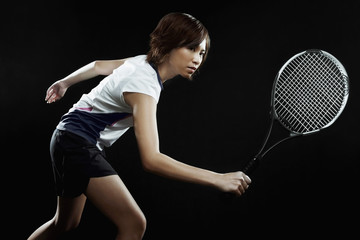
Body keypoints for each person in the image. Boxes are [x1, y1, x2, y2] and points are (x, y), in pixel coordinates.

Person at [28, 12, 251, 240]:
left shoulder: (141, 63)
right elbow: (151, 160)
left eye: (202, 52)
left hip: (66, 136)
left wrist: (65, 82)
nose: (197, 59)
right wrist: (218, 178)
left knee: (64, 224)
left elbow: (97, 66)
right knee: (133, 224)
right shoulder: (144, 85)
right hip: (76, 142)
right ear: (169, 43)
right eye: (191, 48)